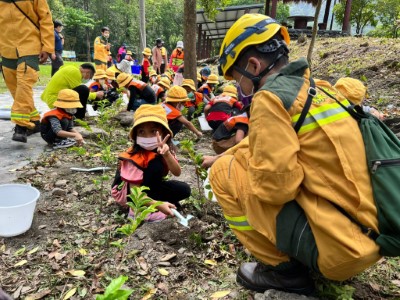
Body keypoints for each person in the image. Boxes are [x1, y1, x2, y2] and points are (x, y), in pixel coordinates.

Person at [207, 13, 381, 295]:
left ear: (253, 65)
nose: (239, 87)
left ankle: (282, 271)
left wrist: (232, 165)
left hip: (341, 251)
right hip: (371, 237)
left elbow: (277, 188)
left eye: (238, 78)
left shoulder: (270, 99)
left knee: (222, 175)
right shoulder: (321, 90)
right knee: (230, 162)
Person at [111, 104, 191, 222]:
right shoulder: (134, 157)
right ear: (136, 135)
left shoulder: (164, 149)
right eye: (141, 131)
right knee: (154, 166)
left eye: (153, 131)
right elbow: (134, 193)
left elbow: (177, 172)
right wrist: (159, 204)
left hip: (150, 186)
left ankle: (153, 202)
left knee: (184, 190)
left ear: (163, 132)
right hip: (131, 193)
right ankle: (137, 211)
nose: (147, 136)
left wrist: (167, 154)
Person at [0, 0, 54, 143]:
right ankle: (35, 121)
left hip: (30, 44)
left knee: (24, 82)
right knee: (15, 88)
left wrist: (47, 46)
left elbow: (45, 18)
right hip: (6, 48)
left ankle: (21, 125)